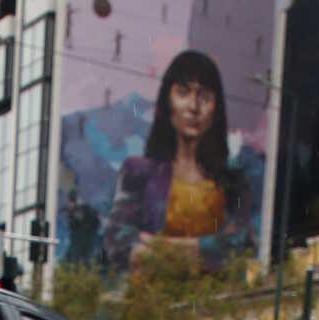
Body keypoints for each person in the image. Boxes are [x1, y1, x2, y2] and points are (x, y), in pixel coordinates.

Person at [106, 50, 257, 273]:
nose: (193, 107)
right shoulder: (138, 172)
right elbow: (118, 245)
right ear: (168, 100)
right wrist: (203, 253)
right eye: (183, 93)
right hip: (150, 301)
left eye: (204, 97)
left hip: (215, 302)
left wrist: (163, 248)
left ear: (216, 108)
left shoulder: (232, 180)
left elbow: (242, 247)